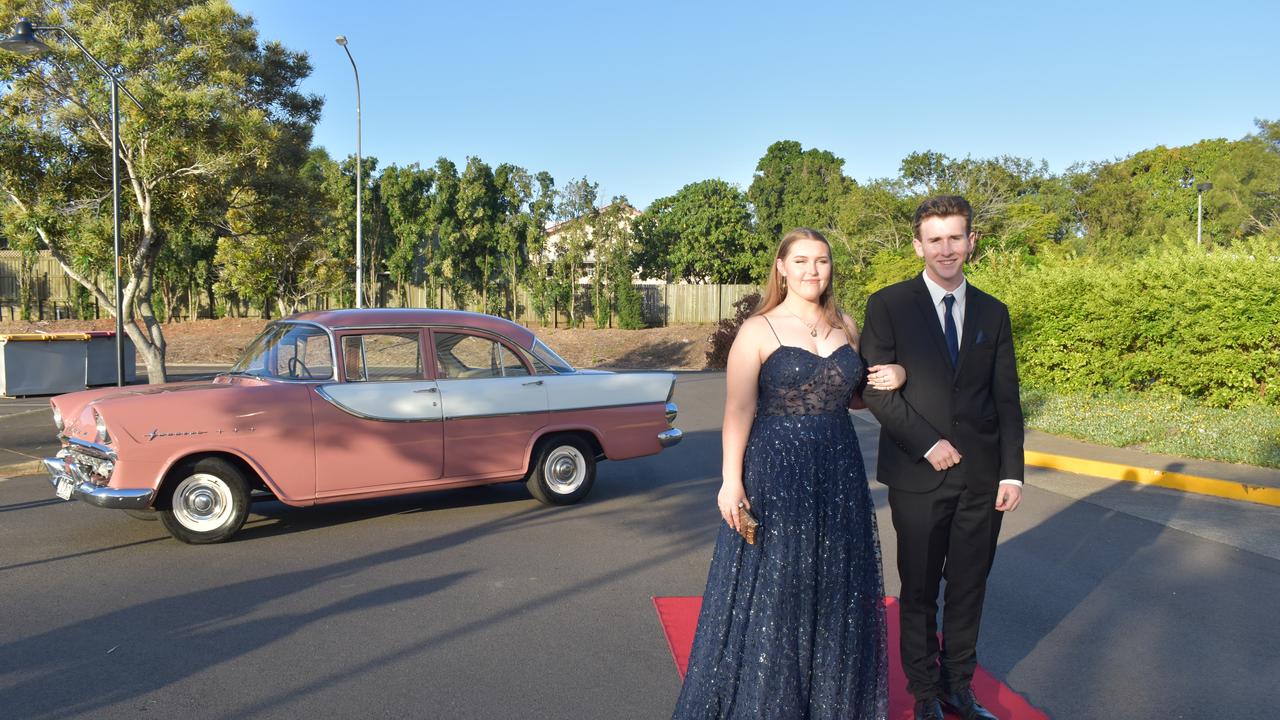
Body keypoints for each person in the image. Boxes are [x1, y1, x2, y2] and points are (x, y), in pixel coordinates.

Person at [673, 228, 904, 720]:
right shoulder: (758, 329)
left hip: (839, 469)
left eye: (820, 261)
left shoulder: (846, 323)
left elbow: (856, 393)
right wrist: (730, 481)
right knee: (778, 586)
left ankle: (831, 702)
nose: (811, 270)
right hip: (775, 471)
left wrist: (897, 375)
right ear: (781, 267)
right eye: (800, 261)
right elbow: (737, 410)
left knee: (836, 582)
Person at [859, 196, 1024, 720]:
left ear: (971, 241)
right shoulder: (888, 305)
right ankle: (926, 695)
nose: (946, 249)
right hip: (917, 475)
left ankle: (959, 687)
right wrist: (930, 444)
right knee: (920, 588)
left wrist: (1013, 472)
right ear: (918, 245)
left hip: (981, 478)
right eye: (936, 239)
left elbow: (1006, 399)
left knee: (970, 586)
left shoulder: (994, 312)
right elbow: (878, 390)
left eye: (956, 237)